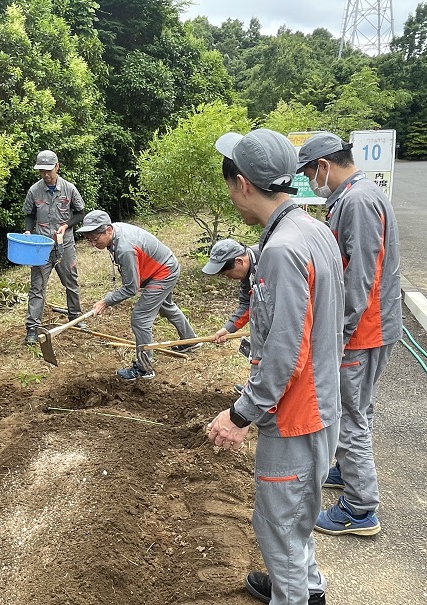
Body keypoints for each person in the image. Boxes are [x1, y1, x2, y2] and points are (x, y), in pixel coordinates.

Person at [206, 129, 344, 605]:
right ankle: (307, 587)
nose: (230, 195)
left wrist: (240, 414)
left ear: (242, 184)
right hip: (320, 401)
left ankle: (294, 596)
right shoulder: (312, 229)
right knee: (296, 516)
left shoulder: (282, 251)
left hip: (296, 414)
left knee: (278, 525)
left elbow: (285, 354)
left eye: (229, 185)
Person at [297, 131, 402, 537]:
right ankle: (348, 469)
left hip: (362, 330)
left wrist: (339, 333)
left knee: (348, 414)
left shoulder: (357, 201)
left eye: (310, 173)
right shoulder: (358, 195)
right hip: (372, 325)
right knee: (359, 408)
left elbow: (360, 274)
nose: (311, 182)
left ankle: (359, 508)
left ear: (324, 166)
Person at [77, 210, 198, 382]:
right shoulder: (116, 233)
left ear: (108, 230)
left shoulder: (125, 248)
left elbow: (131, 288)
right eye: (89, 239)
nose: (93, 243)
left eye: (95, 239)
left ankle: (144, 368)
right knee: (166, 306)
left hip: (163, 272)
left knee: (140, 318)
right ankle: (190, 340)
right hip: (162, 267)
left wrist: (106, 301)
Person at [22, 149, 86, 345]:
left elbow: (80, 213)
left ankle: (75, 317)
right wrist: (28, 230)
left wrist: (66, 225)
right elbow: (29, 215)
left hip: (64, 244)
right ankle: (32, 328)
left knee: (71, 282)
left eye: (48, 170)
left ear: (57, 167)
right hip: (41, 246)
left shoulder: (69, 189)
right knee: (37, 286)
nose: (45, 175)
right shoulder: (34, 191)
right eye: (41, 171)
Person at [202, 238, 260, 395]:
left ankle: (262, 394)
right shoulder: (247, 272)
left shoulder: (270, 260)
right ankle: (255, 389)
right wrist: (227, 329)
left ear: (239, 261)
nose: (228, 278)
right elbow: (247, 304)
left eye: (227, 273)